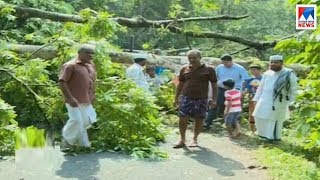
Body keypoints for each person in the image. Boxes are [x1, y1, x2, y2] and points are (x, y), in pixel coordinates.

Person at [173, 49, 217, 148]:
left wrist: (214, 99)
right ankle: (182, 139)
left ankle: (195, 139)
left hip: (201, 98)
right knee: (182, 118)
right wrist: (175, 98)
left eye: (194, 58)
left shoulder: (209, 69)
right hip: (186, 97)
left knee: (199, 119)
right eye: (189, 58)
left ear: (200, 58)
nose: (192, 60)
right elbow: (180, 84)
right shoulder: (184, 68)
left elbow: (214, 84)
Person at [59, 44, 97, 148]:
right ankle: (66, 141)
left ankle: (83, 145)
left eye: (92, 53)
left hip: (87, 99)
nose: (90, 55)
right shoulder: (70, 65)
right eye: (87, 53)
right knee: (76, 120)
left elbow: (92, 81)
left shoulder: (91, 65)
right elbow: (62, 82)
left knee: (86, 121)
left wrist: (93, 94)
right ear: (79, 53)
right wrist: (69, 98)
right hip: (74, 100)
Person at [253, 55, 298, 141]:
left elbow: (294, 89)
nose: (273, 64)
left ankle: (273, 138)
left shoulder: (288, 73)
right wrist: (256, 99)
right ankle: (262, 136)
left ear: (281, 63)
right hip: (264, 99)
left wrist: (292, 103)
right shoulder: (267, 73)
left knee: (273, 119)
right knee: (259, 116)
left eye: (276, 62)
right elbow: (260, 87)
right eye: (271, 62)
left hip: (279, 101)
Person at [204, 54, 249, 129]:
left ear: (231, 61)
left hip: (234, 90)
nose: (225, 64)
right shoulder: (220, 67)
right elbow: (215, 77)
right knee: (214, 104)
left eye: (226, 63)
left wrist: (242, 91)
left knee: (233, 107)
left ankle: (233, 125)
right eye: (223, 63)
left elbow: (246, 79)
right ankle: (208, 123)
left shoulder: (239, 68)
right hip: (221, 88)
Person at [243, 64, 263, 134]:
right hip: (252, 99)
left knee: (261, 114)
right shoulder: (250, 79)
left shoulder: (264, 78)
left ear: (259, 70)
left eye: (254, 70)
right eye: (251, 70)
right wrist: (241, 94)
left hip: (262, 99)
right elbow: (248, 89)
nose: (252, 71)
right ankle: (252, 131)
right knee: (251, 114)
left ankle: (260, 130)